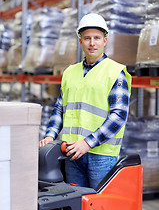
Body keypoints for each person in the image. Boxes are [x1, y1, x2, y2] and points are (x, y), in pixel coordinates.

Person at [39, 13, 131, 189]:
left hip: (101, 155)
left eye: (97, 38)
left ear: (105, 40)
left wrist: (88, 142)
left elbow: (118, 115)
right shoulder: (69, 72)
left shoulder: (115, 72)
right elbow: (60, 108)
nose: (92, 43)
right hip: (72, 153)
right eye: (87, 38)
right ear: (80, 41)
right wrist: (50, 134)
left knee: (100, 204)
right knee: (76, 202)